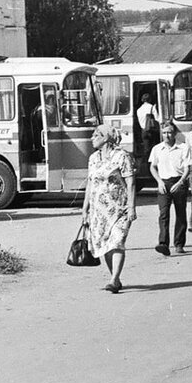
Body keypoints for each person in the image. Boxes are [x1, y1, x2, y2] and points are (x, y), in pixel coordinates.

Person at [81, 125, 136, 293]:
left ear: (105, 137)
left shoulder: (122, 156)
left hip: (119, 209)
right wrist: (85, 208)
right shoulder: (93, 158)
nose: (92, 138)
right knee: (105, 244)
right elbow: (90, 183)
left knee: (117, 241)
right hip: (98, 211)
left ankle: (114, 279)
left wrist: (132, 207)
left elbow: (131, 182)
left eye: (95, 135)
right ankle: (115, 277)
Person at [148, 121, 190, 255]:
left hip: (178, 182)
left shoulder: (183, 148)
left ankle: (179, 244)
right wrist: (159, 182)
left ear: (175, 133)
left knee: (180, 214)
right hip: (164, 183)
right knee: (163, 214)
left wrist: (180, 182)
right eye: (164, 132)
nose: (167, 135)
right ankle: (163, 244)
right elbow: (152, 167)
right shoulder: (157, 149)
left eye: (170, 132)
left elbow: (187, 168)